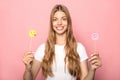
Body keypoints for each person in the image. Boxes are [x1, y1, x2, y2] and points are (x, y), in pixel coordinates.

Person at [22, 4, 102, 80]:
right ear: (51, 23)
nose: (59, 23)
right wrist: (28, 69)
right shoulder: (43, 48)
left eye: (63, 19)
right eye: (55, 19)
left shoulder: (79, 48)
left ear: (68, 22)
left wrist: (92, 70)